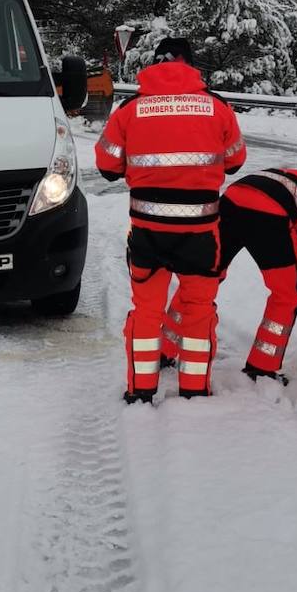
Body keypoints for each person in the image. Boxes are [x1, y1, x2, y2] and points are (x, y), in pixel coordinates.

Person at [95, 37, 246, 402]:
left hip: (148, 233)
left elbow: (106, 166)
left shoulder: (131, 109)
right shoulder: (217, 107)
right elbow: (236, 160)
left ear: (155, 63)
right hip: (200, 234)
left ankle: (141, 391)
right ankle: (194, 390)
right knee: (197, 310)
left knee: (146, 310)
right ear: (190, 65)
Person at [162, 169, 297, 385]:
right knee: (286, 295)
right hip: (270, 211)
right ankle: (262, 367)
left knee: (203, 280)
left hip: (235, 197)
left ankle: (164, 349)